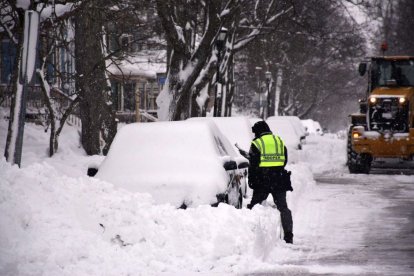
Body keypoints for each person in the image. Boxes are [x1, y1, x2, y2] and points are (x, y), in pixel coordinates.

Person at [240, 120, 294, 244]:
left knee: (255, 207)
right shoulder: (278, 141)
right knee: (283, 208)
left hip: (262, 181)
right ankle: (289, 235)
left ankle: (252, 236)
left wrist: (252, 181)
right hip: (279, 179)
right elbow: (284, 160)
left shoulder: (257, 143)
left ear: (258, 132)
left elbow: (253, 165)